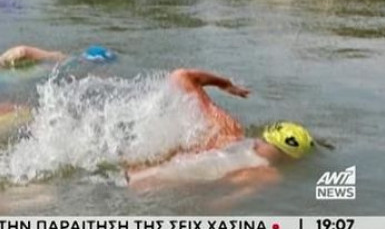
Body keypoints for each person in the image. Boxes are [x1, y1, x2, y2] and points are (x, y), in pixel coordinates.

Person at [124, 69, 317, 191]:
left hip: (127, 174)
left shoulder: (226, 129)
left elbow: (181, 76)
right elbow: (219, 207)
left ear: (263, 136)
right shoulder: (265, 174)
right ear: (290, 158)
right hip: (141, 193)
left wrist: (225, 84)